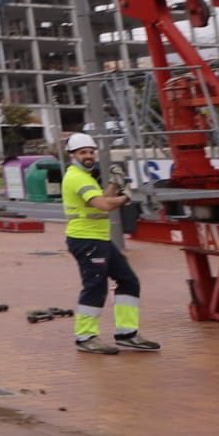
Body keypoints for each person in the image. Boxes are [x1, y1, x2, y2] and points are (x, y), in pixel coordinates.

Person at [62, 132, 160, 355]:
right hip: (86, 240)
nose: (88, 156)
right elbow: (103, 205)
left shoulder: (86, 177)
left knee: (128, 280)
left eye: (91, 152)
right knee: (95, 286)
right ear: (72, 156)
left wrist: (115, 186)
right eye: (82, 152)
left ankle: (127, 334)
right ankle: (85, 337)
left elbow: (101, 199)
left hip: (99, 240)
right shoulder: (76, 177)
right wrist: (126, 197)